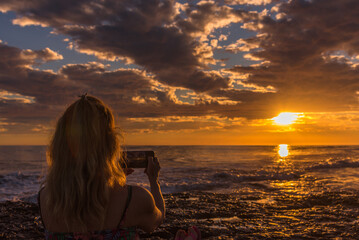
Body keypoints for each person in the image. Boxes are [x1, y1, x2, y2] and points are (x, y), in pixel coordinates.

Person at [38, 94, 165, 239]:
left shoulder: (45, 198)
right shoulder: (134, 199)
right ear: (110, 144)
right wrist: (154, 180)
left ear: (59, 146)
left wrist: (110, 179)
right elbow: (156, 220)